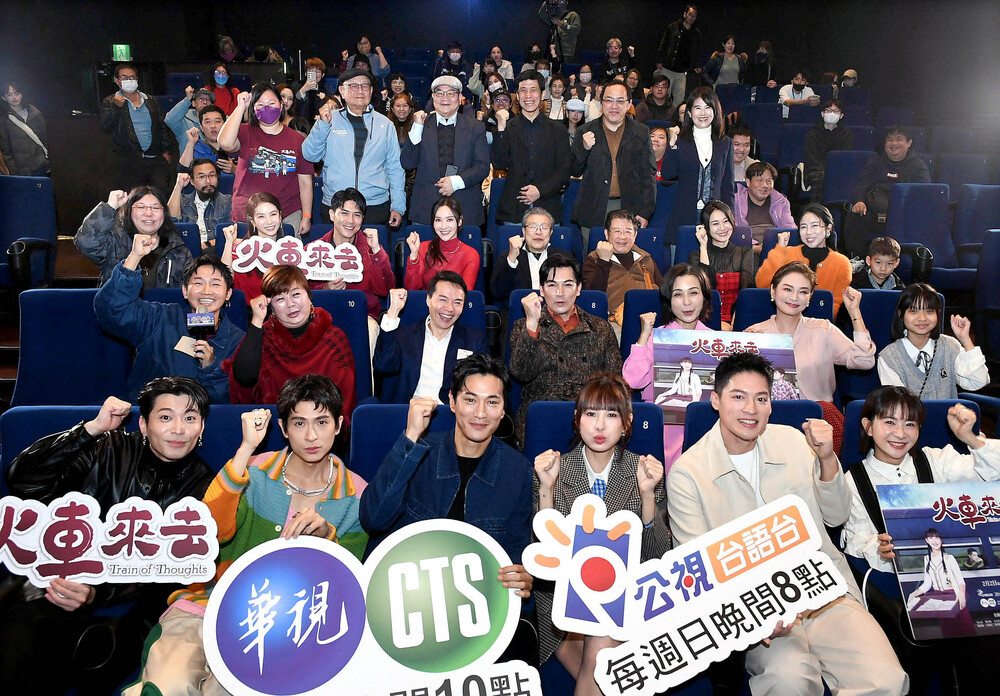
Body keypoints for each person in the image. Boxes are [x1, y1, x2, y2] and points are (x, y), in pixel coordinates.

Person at [668, 351, 908, 696]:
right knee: (789, 681)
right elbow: (699, 572)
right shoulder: (688, 473)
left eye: (761, 399)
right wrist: (751, 616)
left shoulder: (794, 441)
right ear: (716, 401)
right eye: (738, 397)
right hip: (758, 608)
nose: (751, 409)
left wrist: (827, 458)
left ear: (771, 404)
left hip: (824, 591)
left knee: (887, 680)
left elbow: (837, 516)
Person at [122, 375, 367, 696]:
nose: (311, 436)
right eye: (299, 423)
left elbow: (346, 587)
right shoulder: (251, 471)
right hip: (210, 604)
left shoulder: (355, 495)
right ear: (283, 428)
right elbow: (210, 532)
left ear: (338, 425)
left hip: (283, 628)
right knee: (169, 684)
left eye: (321, 422)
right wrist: (246, 448)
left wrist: (326, 539)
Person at [1, 378, 215, 696]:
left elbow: (171, 572)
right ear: (143, 424)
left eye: (190, 418)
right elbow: (23, 480)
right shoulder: (107, 447)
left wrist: (95, 593)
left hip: (128, 606)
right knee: (30, 640)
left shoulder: (206, 487)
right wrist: (91, 430)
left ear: (201, 427)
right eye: (165, 417)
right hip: (53, 583)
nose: (178, 429)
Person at [841, 386, 1000, 693]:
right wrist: (876, 546)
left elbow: (992, 476)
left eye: (910, 424)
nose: (900, 433)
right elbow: (852, 539)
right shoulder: (853, 481)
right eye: (889, 422)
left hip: (965, 592)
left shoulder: (935, 461)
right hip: (897, 589)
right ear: (868, 426)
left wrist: (970, 438)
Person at [534, 373, 669, 690]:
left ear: (627, 423)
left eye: (611, 415)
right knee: (608, 659)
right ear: (577, 419)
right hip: (564, 605)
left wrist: (648, 495)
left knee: (604, 661)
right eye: (591, 414)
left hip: (628, 602)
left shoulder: (643, 471)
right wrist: (546, 488)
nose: (599, 426)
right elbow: (543, 557)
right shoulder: (554, 468)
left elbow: (657, 557)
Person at [359, 352, 534, 597]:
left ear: (503, 409)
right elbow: (373, 518)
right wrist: (411, 436)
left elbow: (514, 552)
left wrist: (520, 577)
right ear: (452, 401)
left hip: (472, 600)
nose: (480, 413)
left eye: (492, 402)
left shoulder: (518, 471)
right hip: (407, 592)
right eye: (470, 400)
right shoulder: (417, 452)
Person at [748, 261, 874, 450]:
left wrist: (854, 311)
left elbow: (865, 361)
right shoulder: (753, 334)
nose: (794, 297)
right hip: (769, 425)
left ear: (810, 297)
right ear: (773, 291)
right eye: (787, 289)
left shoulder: (823, 329)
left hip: (818, 423)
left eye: (803, 291)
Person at [95, 240, 243, 401]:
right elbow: (113, 311)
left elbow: (229, 400)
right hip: (147, 411)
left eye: (215, 284)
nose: (206, 291)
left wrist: (210, 367)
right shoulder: (159, 317)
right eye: (198, 283)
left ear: (228, 294)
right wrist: (134, 257)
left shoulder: (238, 341)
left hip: (200, 415)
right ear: (185, 291)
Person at [509, 255, 622, 445]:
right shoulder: (524, 325)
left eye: (568, 285)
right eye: (552, 285)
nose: (560, 293)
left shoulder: (600, 328)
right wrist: (533, 323)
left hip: (590, 414)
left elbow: (614, 382)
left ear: (578, 289)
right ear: (541, 290)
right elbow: (521, 373)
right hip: (543, 412)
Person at [224, 265, 357, 421]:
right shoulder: (264, 337)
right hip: (273, 424)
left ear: (309, 296)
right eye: (280, 299)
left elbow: (345, 401)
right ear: (271, 307)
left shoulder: (333, 339)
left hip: (324, 426)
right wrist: (257, 320)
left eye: (296, 294)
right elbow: (244, 378)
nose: (290, 304)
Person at [624, 263, 713, 467]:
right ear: (669, 301)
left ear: (704, 297)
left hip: (703, 426)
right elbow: (633, 381)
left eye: (693, 293)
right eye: (678, 295)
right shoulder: (658, 337)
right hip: (663, 427)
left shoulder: (716, 342)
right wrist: (644, 336)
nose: (687, 302)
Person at [302, 68, 405, 228]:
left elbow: (395, 168)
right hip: (336, 205)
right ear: (342, 91)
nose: (360, 91)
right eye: (353, 86)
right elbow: (310, 155)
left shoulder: (385, 125)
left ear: (371, 91)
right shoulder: (328, 120)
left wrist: (398, 205)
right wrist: (322, 125)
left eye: (365, 86)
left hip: (374, 206)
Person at [374, 272, 488, 404]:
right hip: (408, 411)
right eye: (443, 299)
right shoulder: (403, 336)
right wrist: (392, 313)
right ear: (428, 300)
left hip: (451, 412)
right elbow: (383, 366)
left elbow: (482, 384)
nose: (449, 308)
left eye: (457, 302)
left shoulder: (475, 341)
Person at [218, 84, 315, 237]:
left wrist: (306, 216)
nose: (267, 108)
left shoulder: (297, 139)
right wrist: (241, 107)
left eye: (271, 103)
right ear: (253, 108)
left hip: (287, 215)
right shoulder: (244, 131)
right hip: (248, 215)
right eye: (260, 105)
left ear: (281, 105)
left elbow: (305, 182)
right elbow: (225, 143)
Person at [571, 82, 656, 248]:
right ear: (602, 103)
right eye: (609, 100)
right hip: (594, 207)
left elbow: (648, 175)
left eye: (620, 101)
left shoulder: (641, 132)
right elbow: (574, 169)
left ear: (629, 104)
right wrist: (584, 148)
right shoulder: (585, 130)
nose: (614, 106)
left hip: (628, 206)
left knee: (626, 259)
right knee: (594, 259)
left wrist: (645, 212)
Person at [402, 75, 491, 227]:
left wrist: (456, 182)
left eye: (451, 93)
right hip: (426, 210)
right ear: (433, 98)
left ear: (460, 98)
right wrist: (417, 128)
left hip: (465, 208)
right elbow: (407, 163)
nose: (445, 98)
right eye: (440, 93)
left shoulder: (475, 127)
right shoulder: (420, 124)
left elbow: (482, 167)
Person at [877, 283, 989, 397]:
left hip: (949, 410)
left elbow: (978, 382)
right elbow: (898, 404)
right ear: (901, 314)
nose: (922, 318)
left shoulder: (950, 346)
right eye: (913, 311)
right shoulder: (889, 357)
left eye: (929, 311)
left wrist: (965, 339)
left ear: (938, 313)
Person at [491, 70, 572, 227]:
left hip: (548, 208)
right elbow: (499, 163)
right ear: (517, 96)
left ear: (542, 94)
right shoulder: (507, 128)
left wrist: (540, 190)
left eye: (533, 90)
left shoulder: (558, 130)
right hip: (514, 210)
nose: (528, 95)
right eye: (523, 90)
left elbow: (564, 171)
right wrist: (500, 128)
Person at [660, 86, 735, 247]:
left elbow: (728, 186)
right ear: (689, 112)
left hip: (715, 219)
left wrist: (729, 218)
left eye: (708, 107)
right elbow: (667, 173)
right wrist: (672, 145)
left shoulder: (725, 143)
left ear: (715, 111)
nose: (703, 113)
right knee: (682, 261)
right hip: (684, 215)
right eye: (697, 108)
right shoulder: (680, 141)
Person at [306, 188, 395, 324]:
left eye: (357, 215)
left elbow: (385, 290)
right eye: (344, 213)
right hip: (322, 315)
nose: (350, 220)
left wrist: (376, 250)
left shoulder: (371, 248)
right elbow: (300, 292)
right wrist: (324, 290)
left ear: (363, 218)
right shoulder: (313, 250)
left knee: (370, 329)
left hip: (363, 315)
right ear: (332, 214)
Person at [75, 186, 192, 287]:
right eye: (141, 207)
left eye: (155, 208)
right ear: (129, 211)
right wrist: (110, 207)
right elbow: (85, 242)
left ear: (164, 213)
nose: (149, 213)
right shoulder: (115, 242)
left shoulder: (178, 249)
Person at [843, 125, 930, 259]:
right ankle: (859, 258)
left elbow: (923, 194)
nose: (894, 143)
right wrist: (859, 201)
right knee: (855, 215)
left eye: (899, 139)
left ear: (909, 143)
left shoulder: (918, 166)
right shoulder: (876, 161)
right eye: (890, 139)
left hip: (903, 213)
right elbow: (862, 184)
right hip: (875, 210)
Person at [756, 203, 853, 315]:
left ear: (828, 228)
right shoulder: (786, 253)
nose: (808, 232)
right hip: (783, 318)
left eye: (814, 226)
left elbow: (835, 307)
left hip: (821, 322)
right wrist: (780, 249)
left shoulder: (842, 263)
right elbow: (762, 284)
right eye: (803, 227)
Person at [583, 209, 663, 333]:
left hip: (651, 322)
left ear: (635, 235)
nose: (622, 236)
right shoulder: (593, 259)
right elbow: (592, 301)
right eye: (617, 231)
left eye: (628, 231)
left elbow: (664, 293)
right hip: (612, 324)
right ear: (606, 234)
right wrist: (603, 261)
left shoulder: (645, 258)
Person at [100, 63, 173, 193]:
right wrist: (116, 107)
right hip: (129, 160)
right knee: (133, 197)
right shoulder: (109, 101)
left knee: (161, 194)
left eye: (132, 77)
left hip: (155, 158)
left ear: (137, 79)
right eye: (124, 77)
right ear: (116, 80)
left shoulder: (150, 100)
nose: (129, 80)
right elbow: (106, 126)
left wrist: (166, 151)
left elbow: (162, 126)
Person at [689, 200, 754, 327]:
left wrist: (735, 323)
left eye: (726, 221)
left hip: (738, 319)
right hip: (706, 320)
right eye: (715, 224)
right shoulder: (696, 256)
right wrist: (703, 247)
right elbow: (706, 292)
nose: (722, 228)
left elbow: (745, 293)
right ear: (706, 227)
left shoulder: (745, 253)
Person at [491, 207, 572, 302]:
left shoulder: (564, 258)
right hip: (520, 309)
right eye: (533, 227)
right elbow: (498, 293)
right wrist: (512, 259)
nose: (538, 232)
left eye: (544, 227)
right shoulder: (507, 257)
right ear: (524, 231)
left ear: (551, 232)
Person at [167, 159, 233, 250]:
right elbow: (171, 222)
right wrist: (178, 186)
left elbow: (233, 232)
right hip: (187, 251)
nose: (208, 181)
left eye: (212, 175)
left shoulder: (227, 202)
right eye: (202, 177)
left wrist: (206, 245)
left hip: (215, 250)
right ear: (191, 181)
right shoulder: (182, 201)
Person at [734, 161, 795, 249]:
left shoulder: (781, 202)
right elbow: (734, 232)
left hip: (776, 248)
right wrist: (754, 247)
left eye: (769, 181)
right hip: (746, 249)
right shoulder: (735, 202)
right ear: (748, 182)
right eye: (759, 180)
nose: (765, 185)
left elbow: (789, 228)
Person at [803, 100, 854, 201]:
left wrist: (835, 172)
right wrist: (828, 172)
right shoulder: (812, 134)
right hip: (816, 171)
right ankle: (816, 208)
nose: (832, 113)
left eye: (836, 111)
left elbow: (844, 157)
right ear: (822, 114)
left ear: (841, 115)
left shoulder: (847, 134)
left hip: (838, 171)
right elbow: (812, 160)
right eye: (828, 110)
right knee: (822, 177)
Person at [655, 5, 701, 107]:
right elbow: (664, 44)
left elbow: (696, 51)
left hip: (682, 71)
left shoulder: (696, 33)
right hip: (667, 67)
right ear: (685, 14)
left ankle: (676, 116)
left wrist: (696, 65)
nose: (692, 17)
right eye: (690, 14)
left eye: (694, 16)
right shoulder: (673, 27)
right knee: (663, 95)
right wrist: (659, 60)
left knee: (679, 99)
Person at [1, 80, 48, 176]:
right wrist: (14, 171)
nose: (14, 97)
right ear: (4, 97)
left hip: (41, 166)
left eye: (16, 93)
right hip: (20, 170)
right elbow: (6, 150)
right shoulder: (4, 119)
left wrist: (47, 162)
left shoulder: (35, 114)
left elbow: (46, 140)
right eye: (9, 94)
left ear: (22, 94)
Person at [179, 105, 236, 173]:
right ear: (201, 127)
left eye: (217, 121)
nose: (213, 126)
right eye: (208, 122)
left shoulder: (236, 146)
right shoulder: (197, 149)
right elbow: (183, 172)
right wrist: (191, 143)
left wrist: (236, 170)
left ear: (225, 124)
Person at [164, 85, 214, 152]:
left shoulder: (218, 121)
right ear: (193, 103)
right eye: (201, 99)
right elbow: (169, 120)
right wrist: (187, 100)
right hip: (189, 158)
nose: (205, 102)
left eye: (208, 99)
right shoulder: (183, 122)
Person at [291, 57, 329, 123]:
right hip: (300, 124)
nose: (314, 74)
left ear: (322, 75)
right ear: (306, 73)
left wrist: (324, 99)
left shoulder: (325, 91)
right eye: (310, 71)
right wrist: (302, 91)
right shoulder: (296, 86)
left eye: (317, 71)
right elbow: (292, 106)